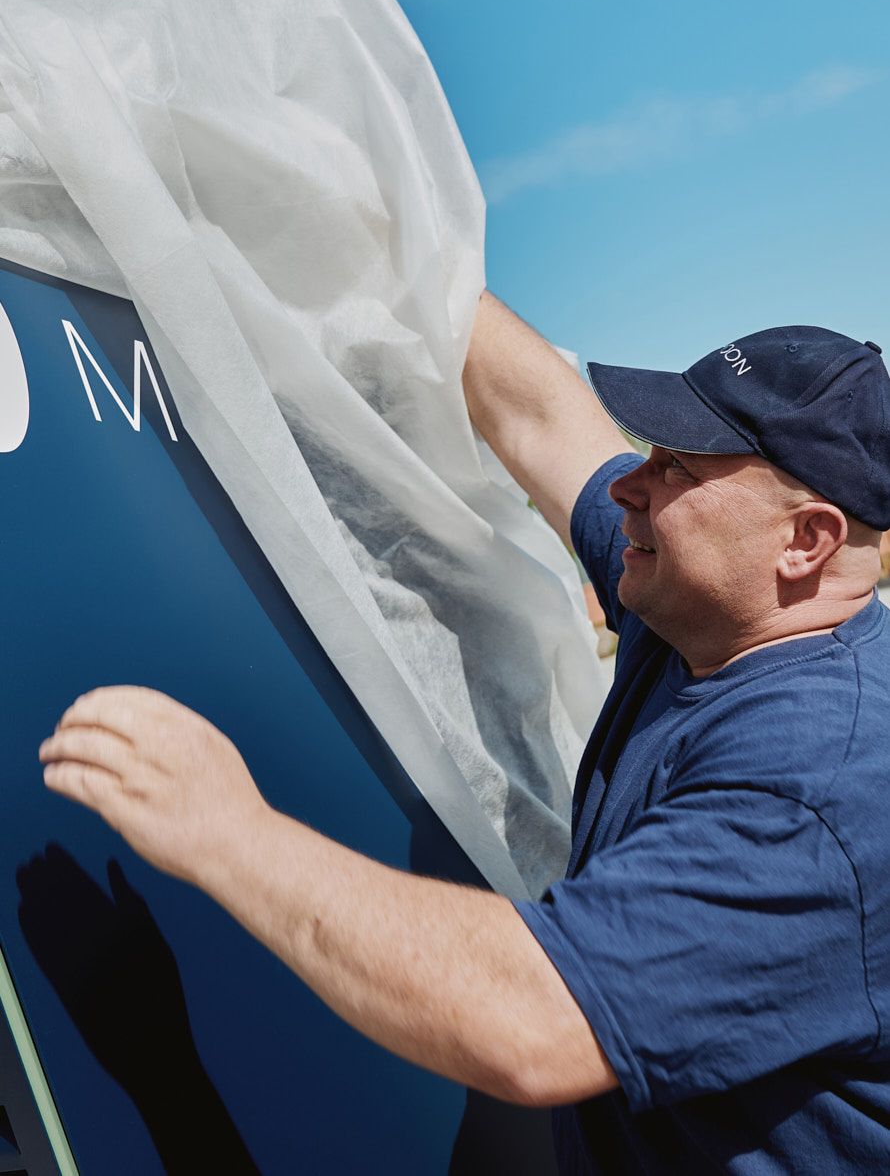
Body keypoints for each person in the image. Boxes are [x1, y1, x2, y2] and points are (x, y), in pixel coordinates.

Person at [39, 291, 890, 1173]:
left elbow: (537, 1019)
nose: (630, 484)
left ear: (806, 542)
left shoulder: (822, 788)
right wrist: (376, 215)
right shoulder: (699, 611)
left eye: (677, 469)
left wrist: (226, 831)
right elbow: (542, 417)